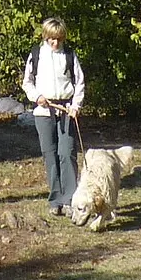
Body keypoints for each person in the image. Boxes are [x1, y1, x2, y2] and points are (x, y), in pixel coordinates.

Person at [21, 17, 85, 216]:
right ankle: (55, 199)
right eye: (51, 39)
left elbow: (80, 83)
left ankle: (70, 199)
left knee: (66, 153)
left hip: (66, 111)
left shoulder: (69, 56)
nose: (55, 43)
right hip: (43, 111)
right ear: (45, 37)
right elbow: (27, 82)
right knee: (50, 155)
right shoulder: (36, 55)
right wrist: (37, 97)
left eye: (58, 39)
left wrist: (76, 106)